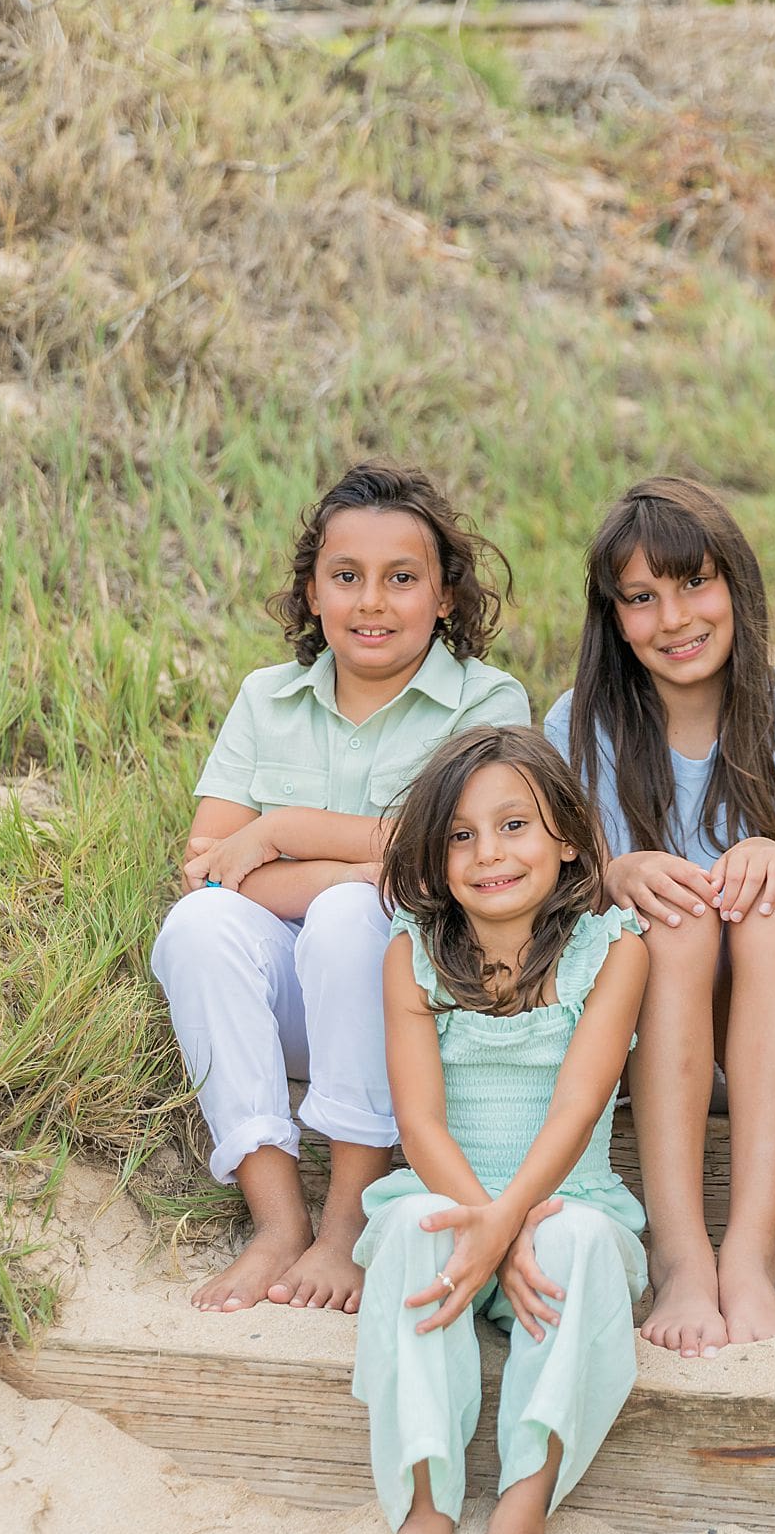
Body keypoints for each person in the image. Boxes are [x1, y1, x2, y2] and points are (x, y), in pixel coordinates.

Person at [151, 462, 529, 1317]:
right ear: (312, 594)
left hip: (426, 1010)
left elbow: (461, 863)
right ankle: (277, 1222)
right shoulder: (267, 699)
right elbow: (212, 865)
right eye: (346, 578)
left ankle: (346, 1220)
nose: (372, 602)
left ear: (444, 599)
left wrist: (283, 831)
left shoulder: (486, 702)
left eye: (402, 579)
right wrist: (366, 865)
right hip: (291, 1004)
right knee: (199, 926)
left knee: (356, 917)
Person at [544, 477, 775, 1360]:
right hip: (641, 1036)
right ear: (613, 618)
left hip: (770, 1031)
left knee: (769, 895)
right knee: (672, 914)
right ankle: (683, 1255)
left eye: (695, 583)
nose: (674, 617)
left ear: (738, 587)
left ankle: (751, 1255)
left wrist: (774, 852)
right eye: (641, 598)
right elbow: (564, 901)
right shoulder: (581, 726)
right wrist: (618, 870)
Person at [352, 726, 648, 1534]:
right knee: (411, 1230)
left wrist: (514, 1227)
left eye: (514, 825)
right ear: (435, 861)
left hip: (563, 1209)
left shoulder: (613, 950)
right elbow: (420, 1123)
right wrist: (485, 1226)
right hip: (452, 1202)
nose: (490, 855)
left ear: (566, 836)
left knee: (584, 1242)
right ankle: (428, 1513)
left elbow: (576, 1108)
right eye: (462, 836)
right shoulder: (412, 952)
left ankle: (517, 1525)